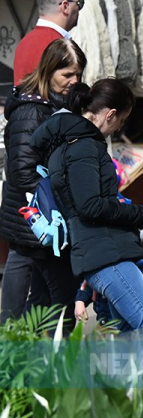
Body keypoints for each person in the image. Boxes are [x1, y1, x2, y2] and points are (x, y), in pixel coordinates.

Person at [31, 79, 143, 340]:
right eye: (121, 121)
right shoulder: (83, 147)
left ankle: (123, 381)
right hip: (105, 254)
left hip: (102, 251)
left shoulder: (72, 142)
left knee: (125, 338)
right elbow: (90, 206)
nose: (119, 127)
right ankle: (142, 383)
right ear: (111, 114)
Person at [1, 39, 85, 323]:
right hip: (33, 210)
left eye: (78, 75)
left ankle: (21, 342)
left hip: (38, 209)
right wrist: (59, 194)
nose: (74, 81)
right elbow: (22, 171)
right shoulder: (32, 110)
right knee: (24, 269)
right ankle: (8, 342)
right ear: (49, 70)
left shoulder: (52, 103)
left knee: (37, 288)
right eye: (67, 75)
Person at [13, 0, 81, 84]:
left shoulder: (24, 42)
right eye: (79, 3)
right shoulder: (56, 46)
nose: (79, 9)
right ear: (65, 6)